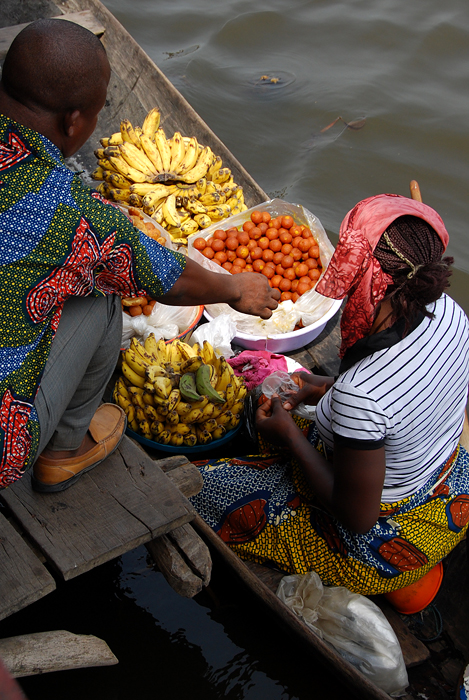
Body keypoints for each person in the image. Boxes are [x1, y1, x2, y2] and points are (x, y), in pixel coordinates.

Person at [0, 18, 279, 492]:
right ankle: (62, 452)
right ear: (73, 121)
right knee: (107, 293)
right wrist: (234, 287)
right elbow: (160, 274)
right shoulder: (66, 212)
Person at [191, 193, 469, 596]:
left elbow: (356, 518)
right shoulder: (449, 311)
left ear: (371, 277)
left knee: (203, 487)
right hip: (447, 491)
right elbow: (408, 394)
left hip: (379, 541)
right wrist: (323, 386)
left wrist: (287, 436)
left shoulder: (363, 395)